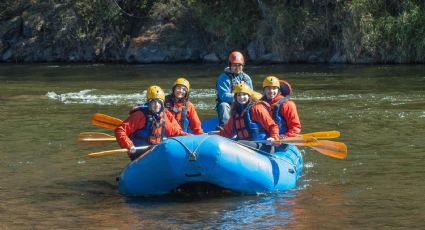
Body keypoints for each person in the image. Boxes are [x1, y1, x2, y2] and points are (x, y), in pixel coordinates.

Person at [115, 85, 190, 160]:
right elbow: (120, 130)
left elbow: (173, 131)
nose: (157, 105)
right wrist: (129, 145)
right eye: (154, 102)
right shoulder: (139, 115)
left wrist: (189, 136)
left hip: (155, 151)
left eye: (159, 102)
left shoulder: (162, 116)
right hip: (139, 154)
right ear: (148, 102)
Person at [216, 82, 279, 153]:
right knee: (236, 142)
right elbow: (227, 132)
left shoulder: (257, 109)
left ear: (249, 96)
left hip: (263, 146)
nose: (241, 97)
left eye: (244, 94)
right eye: (238, 95)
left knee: (238, 143)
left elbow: (272, 126)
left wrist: (274, 137)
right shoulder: (235, 112)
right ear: (235, 97)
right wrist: (214, 137)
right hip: (245, 145)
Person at [216, 51, 253, 128]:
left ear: (242, 65)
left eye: (239, 65)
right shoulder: (223, 78)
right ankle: (225, 127)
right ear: (230, 65)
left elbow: (251, 94)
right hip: (230, 105)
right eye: (234, 65)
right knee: (223, 105)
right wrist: (239, 98)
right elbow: (223, 96)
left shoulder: (247, 78)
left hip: (244, 104)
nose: (237, 67)